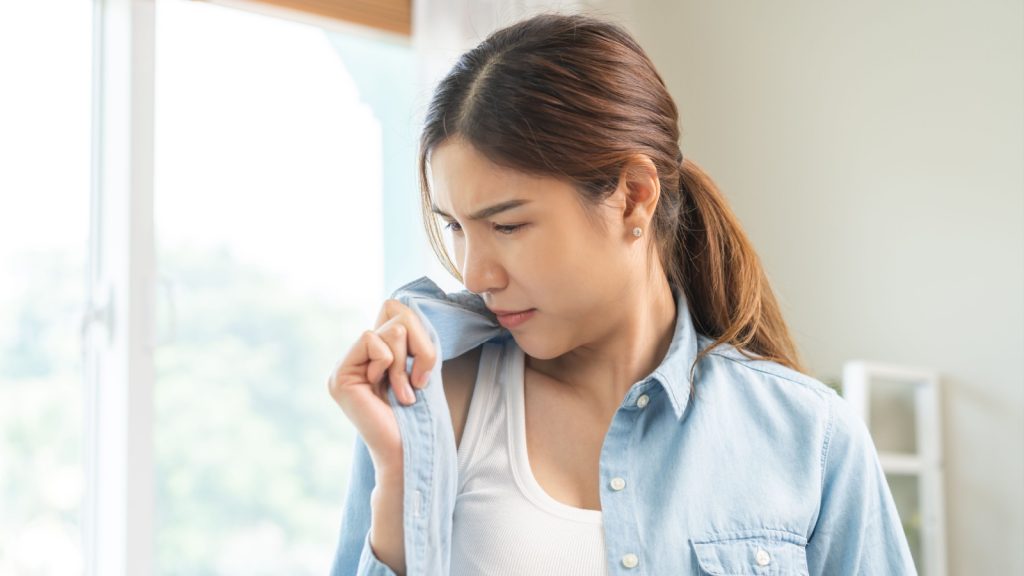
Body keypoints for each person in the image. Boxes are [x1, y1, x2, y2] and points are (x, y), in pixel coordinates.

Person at [326, 11, 917, 576]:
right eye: (456, 227)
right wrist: (399, 481)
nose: (476, 275)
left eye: (507, 226)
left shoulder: (810, 437)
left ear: (633, 197)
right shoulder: (427, 407)